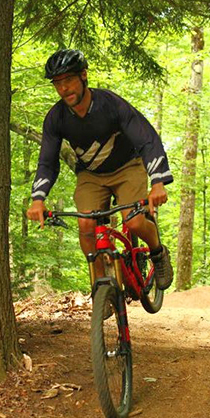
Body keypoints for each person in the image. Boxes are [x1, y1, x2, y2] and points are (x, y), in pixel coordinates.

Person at [27, 49, 174, 290]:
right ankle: (99, 285)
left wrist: (158, 182)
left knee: (135, 222)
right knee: (86, 226)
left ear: (83, 76)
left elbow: (146, 138)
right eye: (57, 83)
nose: (64, 88)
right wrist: (38, 199)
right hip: (91, 175)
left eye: (69, 80)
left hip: (128, 167)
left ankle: (158, 253)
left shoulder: (110, 104)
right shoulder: (56, 118)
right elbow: (47, 162)